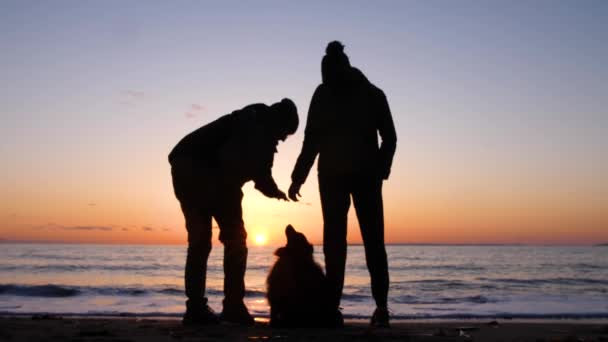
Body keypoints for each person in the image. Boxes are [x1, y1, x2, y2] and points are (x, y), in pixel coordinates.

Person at [289, 41, 397, 328]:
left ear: (339, 69)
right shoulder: (334, 93)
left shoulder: (365, 94)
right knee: (347, 244)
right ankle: (343, 308)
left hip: (358, 177)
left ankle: (375, 308)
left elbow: (390, 138)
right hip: (341, 177)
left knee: (360, 243)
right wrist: (298, 176)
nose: (329, 82)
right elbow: (312, 140)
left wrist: (380, 170)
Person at [169, 99, 298, 326]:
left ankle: (197, 308)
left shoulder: (249, 118)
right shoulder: (259, 129)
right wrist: (274, 191)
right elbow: (259, 176)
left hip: (183, 166)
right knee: (235, 240)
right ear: (280, 122)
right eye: (285, 134)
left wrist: (270, 189)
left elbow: (255, 173)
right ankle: (232, 307)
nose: (283, 139)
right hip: (202, 170)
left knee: (199, 243)